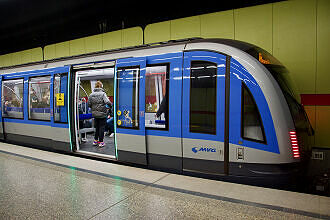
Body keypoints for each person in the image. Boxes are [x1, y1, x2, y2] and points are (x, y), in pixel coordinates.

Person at [88, 81, 111, 148]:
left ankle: (95, 141)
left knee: (97, 127)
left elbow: (89, 104)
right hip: (102, 114)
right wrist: (110, 106)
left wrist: (94, 108)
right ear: (101, 86)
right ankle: (101, 142)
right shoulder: (103, 94)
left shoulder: (91, 94)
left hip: (95, 114)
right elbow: (107, 102)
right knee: (102, 127)